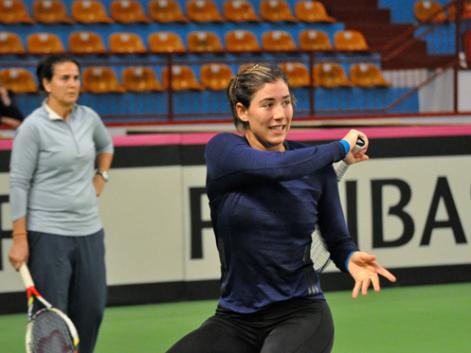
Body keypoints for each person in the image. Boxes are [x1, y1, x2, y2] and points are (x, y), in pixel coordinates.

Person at [166, 63, 396, 353]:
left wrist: (349, 257)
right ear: (242, 111)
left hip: (302, 313)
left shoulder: (316, 165)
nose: (280, 115)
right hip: (235, 319)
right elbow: (275, 168)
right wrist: (339, 148)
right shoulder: (223, 151)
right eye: (268, 104)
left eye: (286, 103)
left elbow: (337, 239)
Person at [8, 54, 113, 353]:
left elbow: (106, 145)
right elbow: (18, 183)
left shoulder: (89, 117)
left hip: (90, 232)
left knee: (91, 313)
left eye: (76, 78)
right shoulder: (32, 128)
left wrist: (101, 177)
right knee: (54, 323)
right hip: (49, 235)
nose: (72, 84)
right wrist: (19, 238)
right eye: (64, 78)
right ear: (46, 83)